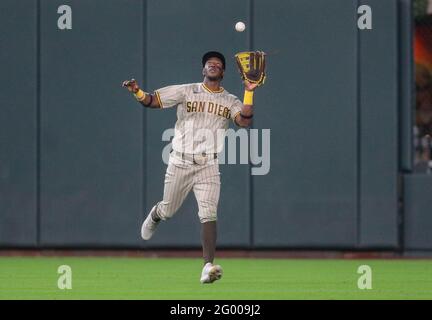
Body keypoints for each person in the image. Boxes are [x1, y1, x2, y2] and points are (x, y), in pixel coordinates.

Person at [122, 51, 259, 283]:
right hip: (181, 161)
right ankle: (157, 214)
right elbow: (152, 100)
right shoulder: (186, 90)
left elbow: (244, 121)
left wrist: (248, 91)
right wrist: (136, 91)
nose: (213, 65)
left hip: (209, 164)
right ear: (203, 70)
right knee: (169, 210)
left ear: (223, 72)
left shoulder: (231, 100)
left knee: (208, 212)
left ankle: (207, 267)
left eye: (218, 64)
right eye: (209, 63)